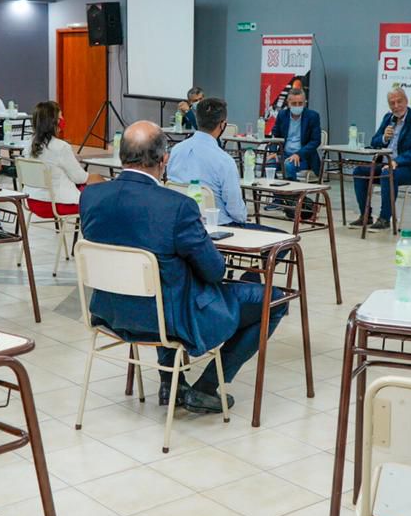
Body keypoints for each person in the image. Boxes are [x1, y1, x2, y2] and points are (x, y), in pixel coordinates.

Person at [79, 121, 289, 411]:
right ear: (163, 160)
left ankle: (171, 384)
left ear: (121, 155)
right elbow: (214, 271)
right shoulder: (177, 206)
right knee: (275, 300)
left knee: (166, 281)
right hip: (170, 319)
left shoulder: (91, 197)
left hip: (111, 312)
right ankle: (205, 387)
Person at [350, 88, 411, 231]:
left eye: (399, 102)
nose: (396, 106)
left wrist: (397, 161)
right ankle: (365, 215)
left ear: (406, 101)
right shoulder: (388, 118)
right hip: (387, 164)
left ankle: (384, 218)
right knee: (359, 171)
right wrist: (384, 138)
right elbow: (374, 141)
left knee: (387, 173)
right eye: (392, 103)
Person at [168, 98, 258, 228]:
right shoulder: (225, 161)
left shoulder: (176, 150)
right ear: (222, 125)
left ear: (197, 120)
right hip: (220, 228)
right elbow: (236, 212)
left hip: (181, 225)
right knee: (282, 236)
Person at [25, 101, 105, 218]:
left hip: (32, 201)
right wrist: (101, 179)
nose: (63, 119)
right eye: (60, 116)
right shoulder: (61, 147)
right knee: (100, 188)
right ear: (54, 122)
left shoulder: (28, 145)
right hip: (58, 204)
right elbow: (80, 178)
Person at [267, 87, 323, 181]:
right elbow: (275, 135)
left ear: (304, 103)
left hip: (304, 157)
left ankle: (292, 190)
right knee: (268, 164)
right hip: (284, 154)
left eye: (300, 103)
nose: (297, 106)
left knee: (288, 165)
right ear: (288, 103)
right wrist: (273, 152)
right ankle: (275, 190)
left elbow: (316, 141)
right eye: (294, 103)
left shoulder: (313, 116)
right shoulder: (282, 115)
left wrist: (299, 154)